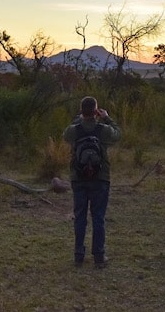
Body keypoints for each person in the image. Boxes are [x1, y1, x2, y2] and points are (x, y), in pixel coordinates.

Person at [63, 96, 121, 268]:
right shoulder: (103, 129)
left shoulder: (74, 130)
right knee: (98, 218)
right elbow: (118, 134)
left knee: (80, 217)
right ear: (96, 111)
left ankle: (78, 255)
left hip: (79, 178)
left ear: (82, 110)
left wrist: (77, 118)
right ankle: (99, 256)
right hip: (100, 178)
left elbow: (66, 135)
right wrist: (106, 117)